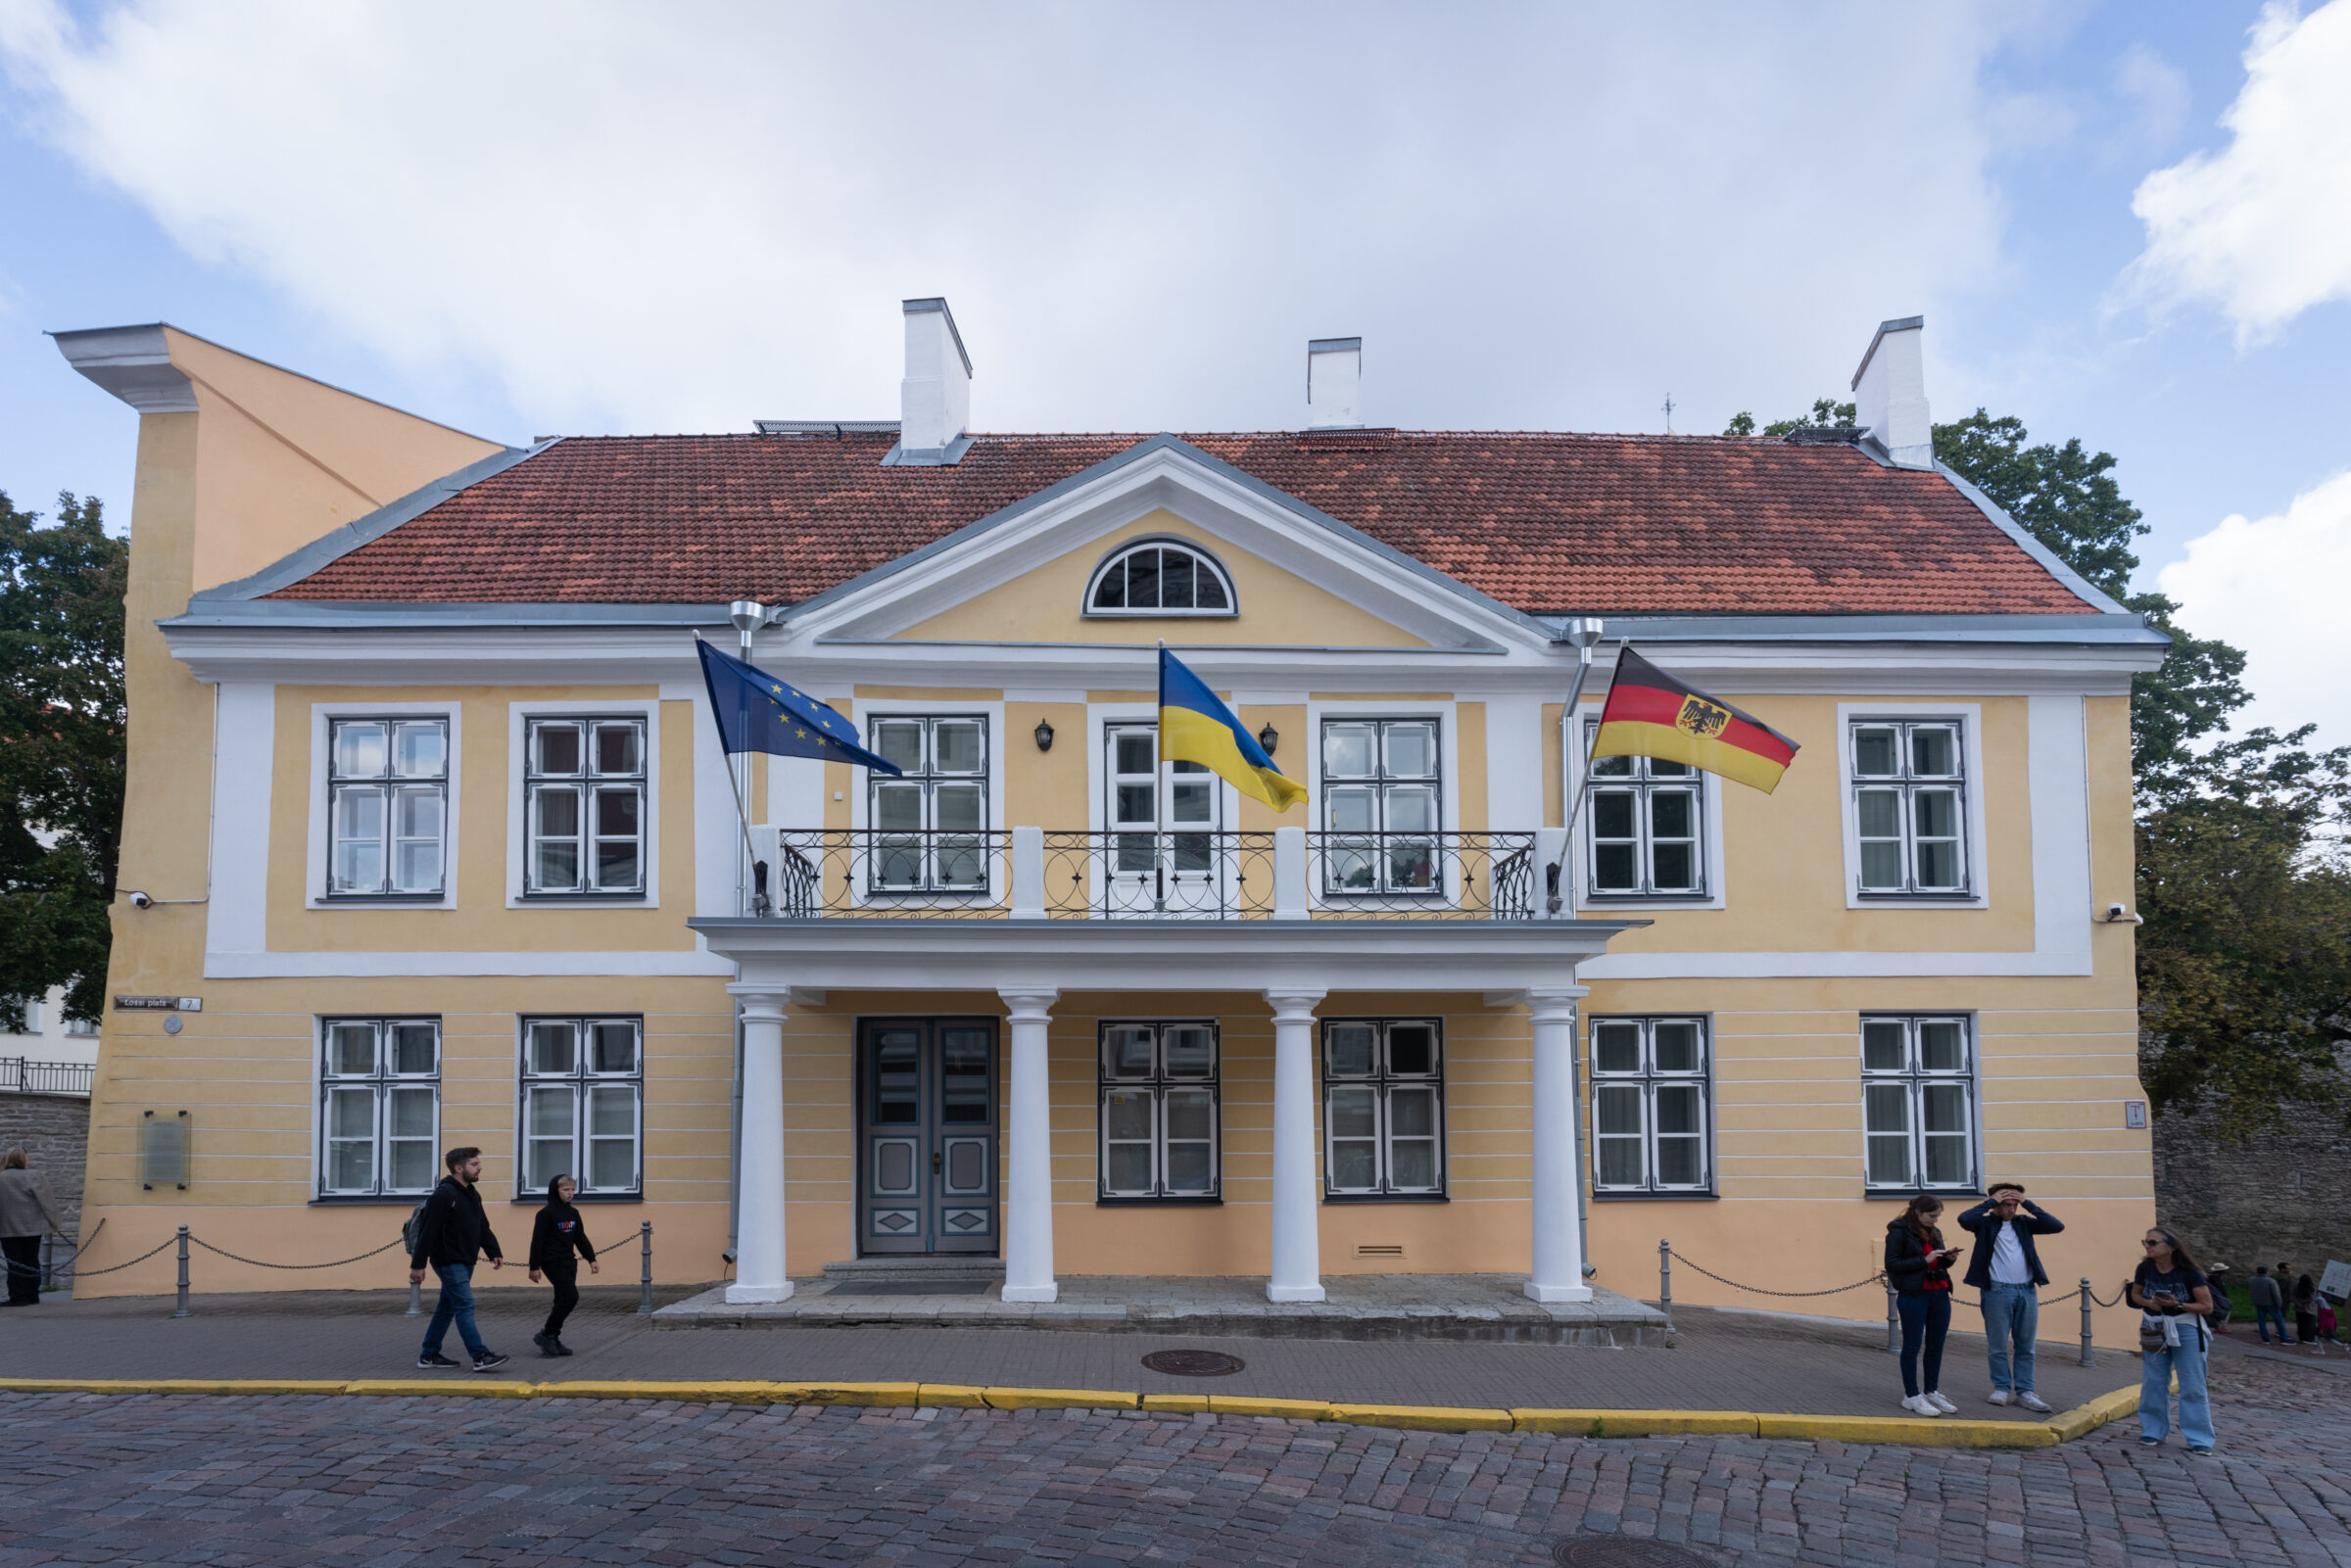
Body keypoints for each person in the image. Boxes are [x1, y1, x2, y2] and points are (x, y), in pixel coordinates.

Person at [1956, 1181, 2062, 1413]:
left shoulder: (2023, 1223)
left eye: (2015, 1204)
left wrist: (2028, 1204)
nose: (2011, 1209)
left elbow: (2056, 1226)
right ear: (1996, 1203)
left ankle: (2025, 1391)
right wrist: (1991, 1202)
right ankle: (2001, 1387)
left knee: (2026, 1346)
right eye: (2006, 1204)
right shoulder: (1985, 1223)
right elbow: (1964, 1219)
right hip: (1998, 1291)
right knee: (1998, 1345)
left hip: (2027, 1290)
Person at [407, 1146, 510, 1371]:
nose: (480, 1167)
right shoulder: (443, 1195)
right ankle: (480, 1356)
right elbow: (427, 1231)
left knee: (446, 1309)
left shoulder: (472, 1194)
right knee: (464, 1305)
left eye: (478, 1163)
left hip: (466, 1259)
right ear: (458, 1168)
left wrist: (494, 1251)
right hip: (448, 1261)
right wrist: (418, 1265)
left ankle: (429, 1355)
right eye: (474, 1164)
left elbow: (482, 1226)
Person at [2131, 1225, 2215, 1455]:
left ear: (2171, 1247)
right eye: (2145, 1242)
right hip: (2153, 1326)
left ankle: (2199, 1437)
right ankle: (2153, 1430)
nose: (2147, 1246)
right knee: (2154, 1380)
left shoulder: (2189, 1273)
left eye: (2153, 1242)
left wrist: (2177, 1304)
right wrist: (2149, 1303)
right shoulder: (2145, 1268)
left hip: (2185, 1327)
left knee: (2192, 1383)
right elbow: (2136, 1294)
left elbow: (2206, 1306)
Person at [1884, 1193, 1962, 1417]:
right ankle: (1911, 1395)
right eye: (1931, 1216)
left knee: (1936, 1345)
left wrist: (1948, 1259)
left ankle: (1931, 1391)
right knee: (1912, 1345)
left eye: (1937, 1216)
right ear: (1918, 1212)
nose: (1935, 1220)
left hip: (1939, 1292)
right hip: (1914, 1294)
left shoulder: (1934, 1232)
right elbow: (1892, 1264)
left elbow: (1939, 1262)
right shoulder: (1898, 1231)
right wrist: (1924, 1260)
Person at [527, 1174, 600, 1356]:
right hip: (552, 1262)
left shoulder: (573, 1213)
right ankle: (547, 1334)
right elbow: (537, 1241)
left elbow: (580, 1238)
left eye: (572, 1189)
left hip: (569, 1261)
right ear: (555, 1190)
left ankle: (553, 1337)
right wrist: (534, 1266)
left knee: (561, 1299)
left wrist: (591, 1258)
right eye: (565, 1190)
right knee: (570, 1297)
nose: (570, 1193)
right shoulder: (545, 1214)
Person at [0, 1148, 65, 1307]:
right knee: (31, 1260)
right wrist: (54, 1223)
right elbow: (47, 1202)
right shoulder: (34, 1176)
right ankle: (32, 1294)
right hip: (31, 1227)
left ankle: (18, 1296)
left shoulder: (1, 1178)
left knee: (14, 1263)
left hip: (7, 1227)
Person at [2249, 1265, 2289, 1344]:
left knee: (2261, 1322)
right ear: (2266, 1272)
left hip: (2258, 1303)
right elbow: (2276, 1294)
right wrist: (2279, 1304)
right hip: (2271, 1304)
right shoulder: (2271, 1281)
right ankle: (2284, 1339)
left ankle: (2265, 1339)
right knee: (2280, 1321)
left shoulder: (2252, 1279)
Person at [2293, 1274, 2325, 1355]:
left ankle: (2301, 1337)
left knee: (2300, 1323)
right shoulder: (2311, 1288)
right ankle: (2309, 1338)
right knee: (2310, 1324)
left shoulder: (2297, 1287)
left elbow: (2293, 1296)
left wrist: (2298, 1302)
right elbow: (2311, 1299)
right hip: (2309, 1309)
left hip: (2299, 1308)